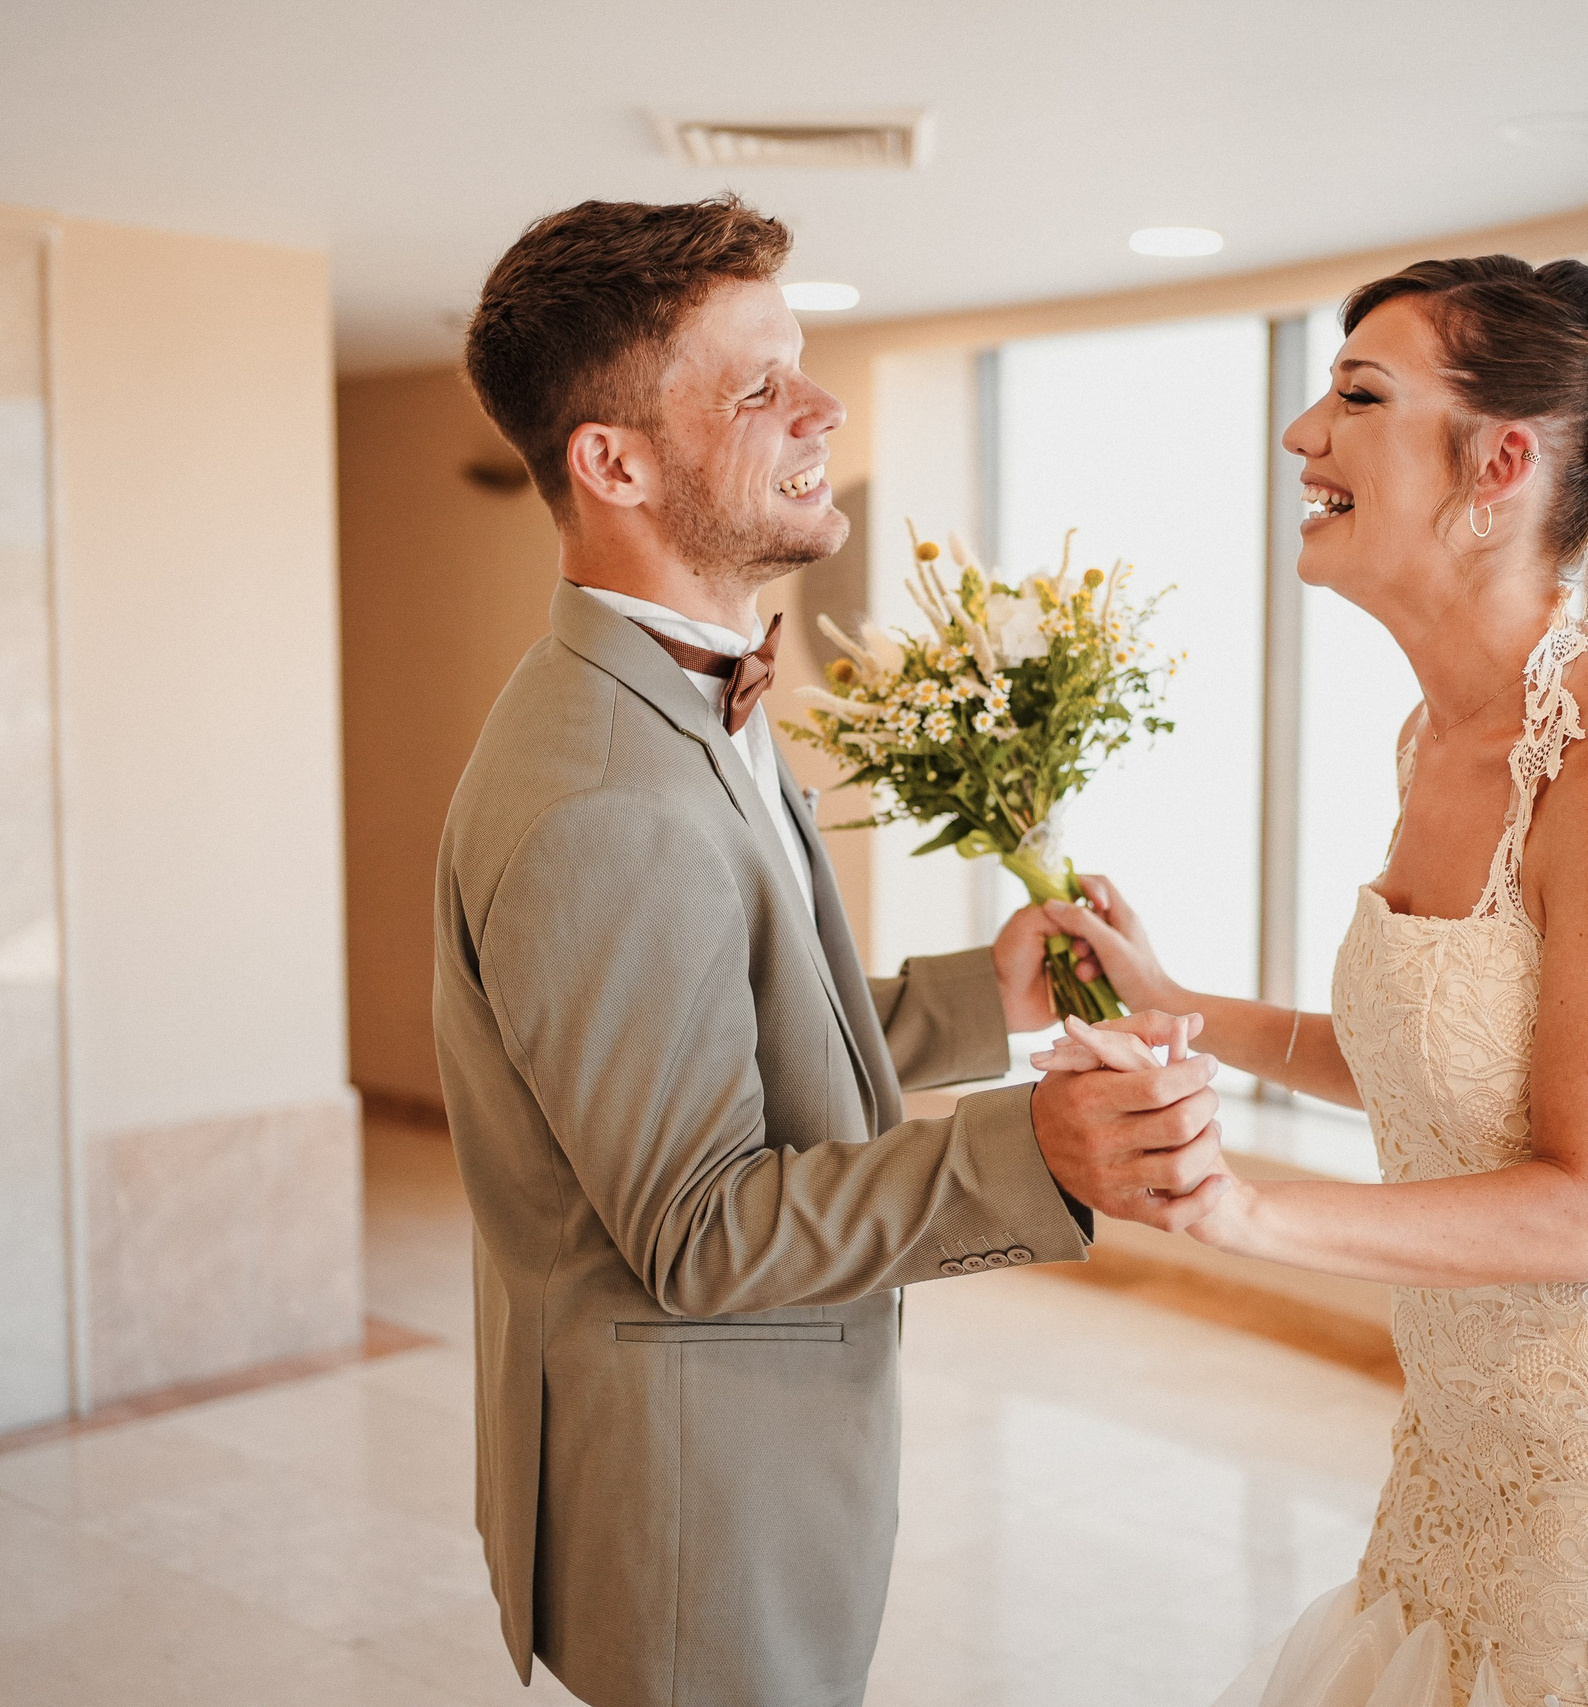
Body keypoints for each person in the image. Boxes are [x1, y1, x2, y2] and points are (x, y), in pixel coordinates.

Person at [433, 195, 1229, 1707]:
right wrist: (1037, 1157)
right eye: (758, 387)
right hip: (695, 1500)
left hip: (760, 1441)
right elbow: (705, 1227)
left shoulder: (688, 692)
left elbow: (716, 1025)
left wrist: (969, 1005)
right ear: (612, 462)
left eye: (803, 364)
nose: (827, 406)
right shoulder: (602, 798)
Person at [1034, 256, 1588, 1706]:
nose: (1303, 434)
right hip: (1472, 1446)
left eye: (1358, 396)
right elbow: (1441, 1061)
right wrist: (1171, 999)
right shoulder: (1443, 736)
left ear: (1502, 462)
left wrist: (1243, 1209)